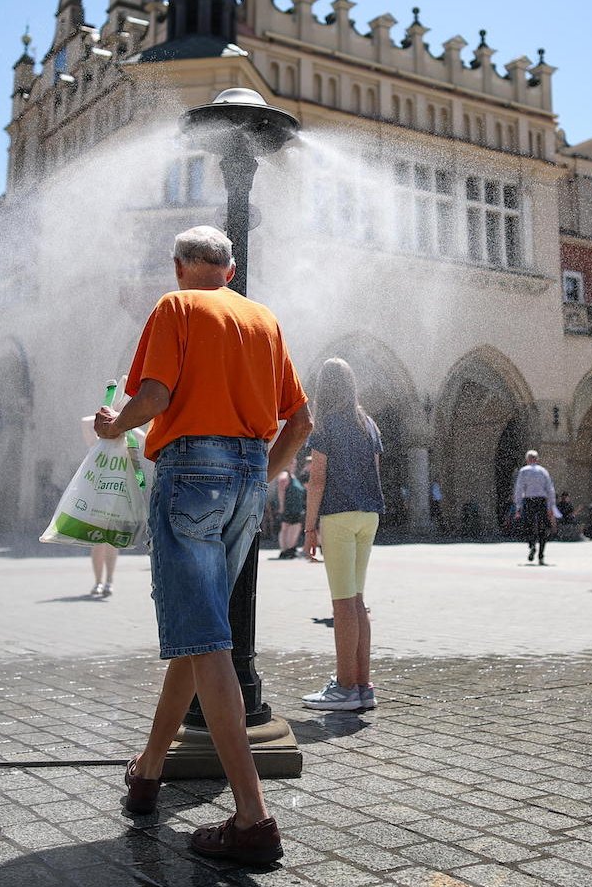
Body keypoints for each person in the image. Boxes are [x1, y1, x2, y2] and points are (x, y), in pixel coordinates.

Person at [94, 226, 309, 867]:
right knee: (203, 628)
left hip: (191, 472)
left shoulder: (175, 306)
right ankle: (148, 771)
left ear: (179, 265)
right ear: (231, 269)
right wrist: (264, 473)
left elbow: (155, 395)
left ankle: (252, 820)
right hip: (247, 477)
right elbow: (301, 421)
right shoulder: (263, 319)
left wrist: (114, 425)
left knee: (208, 640)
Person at [302, 358, 384, 713]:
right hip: (369, 515)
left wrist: (309, 527)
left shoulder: (327, 425)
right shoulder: (368, 423)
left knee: (341, 602)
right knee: (357, 599)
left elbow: (317, 478)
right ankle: (363, 685)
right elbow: (375, 472)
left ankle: (344, 686)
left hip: (338, 514)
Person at [510, 449, 558, 566]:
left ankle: (532, 545)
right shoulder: (543, 471)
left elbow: (519, 489)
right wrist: (551, 506)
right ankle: (541, 556)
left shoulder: (524, 471)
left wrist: (518, 506)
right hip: (541, 500)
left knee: (527, 525)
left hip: (529, 500)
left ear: (527, 460)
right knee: (543, 529)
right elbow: (550, 489)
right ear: (537, 459)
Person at [274, 465, 305, 559]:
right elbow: (281, 490)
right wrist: (282, 506)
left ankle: (288, 549)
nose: (293, 465)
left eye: (294, 462)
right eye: (291, 462)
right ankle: (287, 550)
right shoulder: (285, 475)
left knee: (290, 527)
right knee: (289, 527)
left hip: (296, 507)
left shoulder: (293, 475)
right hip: (290, 507)